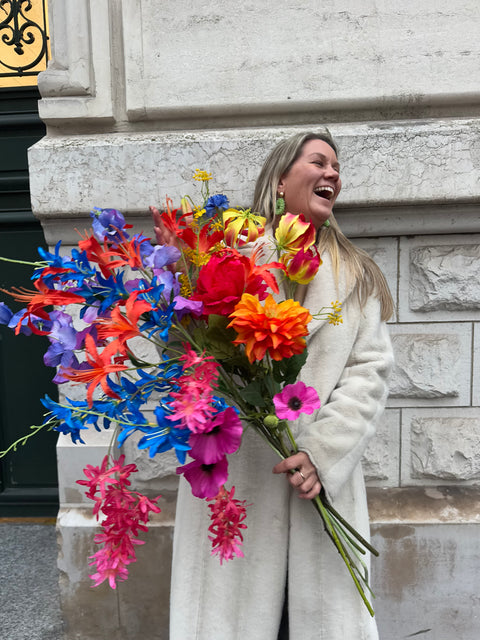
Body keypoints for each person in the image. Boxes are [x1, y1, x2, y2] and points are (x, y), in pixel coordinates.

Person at [155, 131, 394, 640]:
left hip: (316, 485)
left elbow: (369, 371)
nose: (332, 173)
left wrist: (322, 454)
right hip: (238, 478)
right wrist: (175, 278)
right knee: (231, 619)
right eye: (318, 162)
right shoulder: (226, 256)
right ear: (281, 180)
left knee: (317, 619)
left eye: (336, 166)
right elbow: (182, 356)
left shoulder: (358, 275)